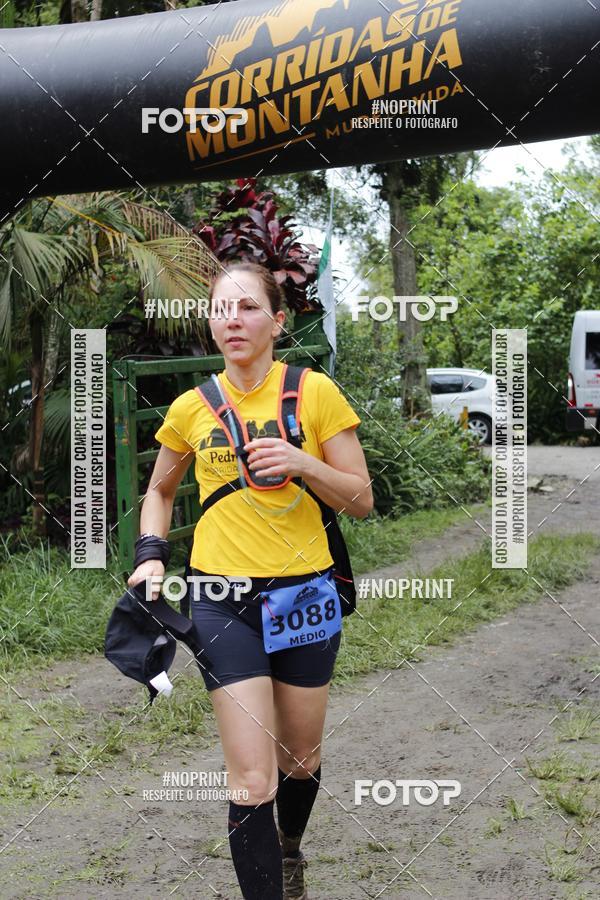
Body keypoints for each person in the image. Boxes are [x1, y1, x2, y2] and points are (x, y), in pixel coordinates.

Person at [127, 261, 373, 899]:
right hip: (220, 598)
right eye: (220, 309)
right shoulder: (192, 408)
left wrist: (301, 463)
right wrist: (151, 554)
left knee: (299, 760)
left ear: (278, 321)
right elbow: (159, 491)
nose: (231, 320)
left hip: (304, 596)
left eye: (247, 308)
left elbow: (361, 499)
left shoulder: (314, 393)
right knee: (252, 778)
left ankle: (288, 849)